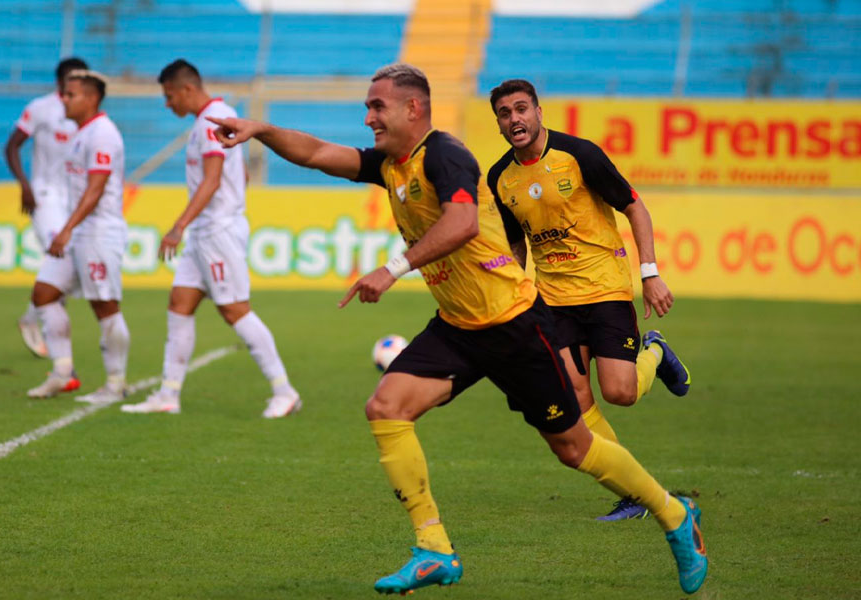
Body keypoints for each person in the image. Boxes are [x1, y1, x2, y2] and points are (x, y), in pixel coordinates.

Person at [208, 63, 707, 595]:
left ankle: (674, 516)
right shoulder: (389, 165)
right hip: (458, 327)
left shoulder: (445, 156)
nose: (368, 116)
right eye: (368, 107)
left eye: (377, 106)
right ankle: (434, 549)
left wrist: (392, 268)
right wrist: (260, 130)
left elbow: (463, 222)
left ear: (412, 109)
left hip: (514, 324)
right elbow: (314, 152)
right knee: (385, 408)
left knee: (574, 448)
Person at [486, 79, 693, 521]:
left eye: (521, 109)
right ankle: (634, 493)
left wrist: (650, 274)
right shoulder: (500, 177)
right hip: (554, 299)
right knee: (577, 401)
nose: (514, 119)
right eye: (505, 114)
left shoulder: (580, 155)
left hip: (604, 287)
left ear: (539, 112)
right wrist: (510, 295)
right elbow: (515, 244)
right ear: (499, 125)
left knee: (619, 392)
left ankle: (655, 351)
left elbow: (634, 206)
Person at [120, 59, 299, 418]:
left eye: (170, 96)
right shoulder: (218, 117)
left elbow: (212, 179)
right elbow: (241, 174)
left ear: (187, 89)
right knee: (180, 304)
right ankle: (168, 394)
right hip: (209, 230)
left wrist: (178, 226)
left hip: (215, 231)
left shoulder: (212, 121)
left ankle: (284, 390)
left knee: (234, 310)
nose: (168, 104)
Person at [26, 70, 131, 404]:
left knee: (105, 307)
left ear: (91, 98)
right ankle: (62, 373)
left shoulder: (103, 134)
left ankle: (115, 384)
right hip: (79, 231)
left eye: (70, 95)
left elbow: (96, 189)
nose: (64, 100)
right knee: (43, 293)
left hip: (98, 233)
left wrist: (67, 228)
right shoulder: (82, 134)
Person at [5, 56, 88, 367]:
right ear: (59, 82)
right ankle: (57, 349)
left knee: (75, 267)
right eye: (71, 79)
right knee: (62, 256)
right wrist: (25, 185)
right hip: (44, 195)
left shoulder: (85, 114)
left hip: (73, 199)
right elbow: (12, 145)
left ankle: (31, 316)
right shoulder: (41, 108)